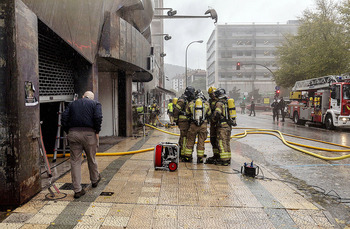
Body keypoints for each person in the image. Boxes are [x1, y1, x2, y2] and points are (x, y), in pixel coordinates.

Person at [61, 91, 103, 199]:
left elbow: (64, 118)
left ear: (83, 96)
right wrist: (97, 131)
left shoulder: (72, 104)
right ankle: (94, 180)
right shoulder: (96, 104)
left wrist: (68, 130)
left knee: (75, 161)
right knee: (91, 158)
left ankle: (77, 190)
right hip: (90, 134)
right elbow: (98, 117)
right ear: (92, 98)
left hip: (73, 133)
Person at [184, 90, 211, 163]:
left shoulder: (191, 103)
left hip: (193, 125)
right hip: (203, 125)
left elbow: (186, 112)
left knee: (190, 140)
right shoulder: (206, 104)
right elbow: (209, 113)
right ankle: (200, 158)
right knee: (201, 141)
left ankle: (188, 157)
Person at [211, 88, 237, 166]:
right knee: (227, 142)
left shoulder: (219, 103)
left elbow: (217, 113)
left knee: (221, 142)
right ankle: (228, 158)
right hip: (228, 126)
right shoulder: (227, 102)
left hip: (222, 126)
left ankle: (224, 160)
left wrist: (213, 119)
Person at [173, 86, 195, 160]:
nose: (193, 95)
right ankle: (183, 154)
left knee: (184, 137)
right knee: (184, 137)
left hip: (187, 122)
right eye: (192, 93)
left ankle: (182, 152)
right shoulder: (182, 100)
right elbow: (176, 110)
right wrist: (176, 120)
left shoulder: (188, 100)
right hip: (183, 122)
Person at [206, 86, 220, 164]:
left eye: (213, 93)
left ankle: (221, 155)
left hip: (219, 124)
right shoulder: (210, 101)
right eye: (211, 94)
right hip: (212, 123)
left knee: (220, 140)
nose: (212, 95)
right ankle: (216, 155)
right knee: (213, 139)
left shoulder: (220, 101)